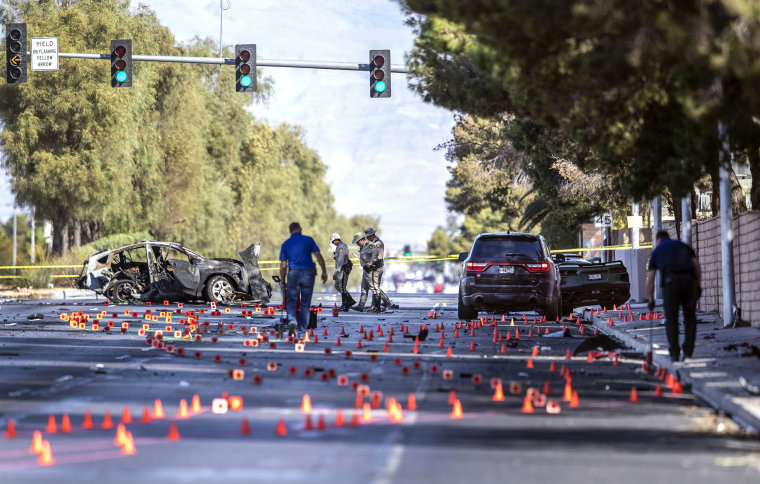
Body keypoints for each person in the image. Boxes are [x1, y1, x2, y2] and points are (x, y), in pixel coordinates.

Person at [646, 229, 701, 362]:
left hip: (671, 284)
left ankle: (674, 354)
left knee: (672, 319)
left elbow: (651, 278)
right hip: (689, 281)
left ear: (657, 239)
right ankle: (688, 352)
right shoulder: (683, 245)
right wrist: (698, 286)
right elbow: (697, 266)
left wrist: (650, 299)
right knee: (689, 317)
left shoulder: (657, 250)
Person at [279, 222, 327, 337]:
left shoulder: (286, 244)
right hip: (308, 274)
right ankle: (301, 332)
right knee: (305, 304)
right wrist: (324, 271)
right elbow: (318, 255)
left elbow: (283, 266)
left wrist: (282, 281)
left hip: (293, 274)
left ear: (290, 231)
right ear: (300, 229)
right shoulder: (309, 240)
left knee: (291, 302)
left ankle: (292, 323)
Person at [364, 227, 398, 310]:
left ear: (372, 235)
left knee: (375, 287)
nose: (367, 238)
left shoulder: (378, 243)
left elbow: (377, 257)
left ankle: (386, 302)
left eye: (368, 236)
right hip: (373, 267)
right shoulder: (371, 243)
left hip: (377, 267)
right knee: (375, 288)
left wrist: (370, 263)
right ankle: (374, 305)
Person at [330, 233, 355, 311]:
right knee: (338, 286)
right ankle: (350, 301)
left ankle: (345, 304)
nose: (332, 243)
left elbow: (340, 260)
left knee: (341, 287)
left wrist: (336, 271)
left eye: (333, 241)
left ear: (337, 240)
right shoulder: (339, 247)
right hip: (341, 269)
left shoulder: (341, 247)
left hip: (343, 269)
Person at [352, 232, 376, 312]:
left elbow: (375, 253)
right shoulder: (362, 247)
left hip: (370, 271)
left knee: (374, 289)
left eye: (357, 241)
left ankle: (382, 304)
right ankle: (361, 306)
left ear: (362, 240)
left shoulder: (370, 245)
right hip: (365, 270)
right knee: (363, 289)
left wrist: (371, 262)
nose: (357, 243)